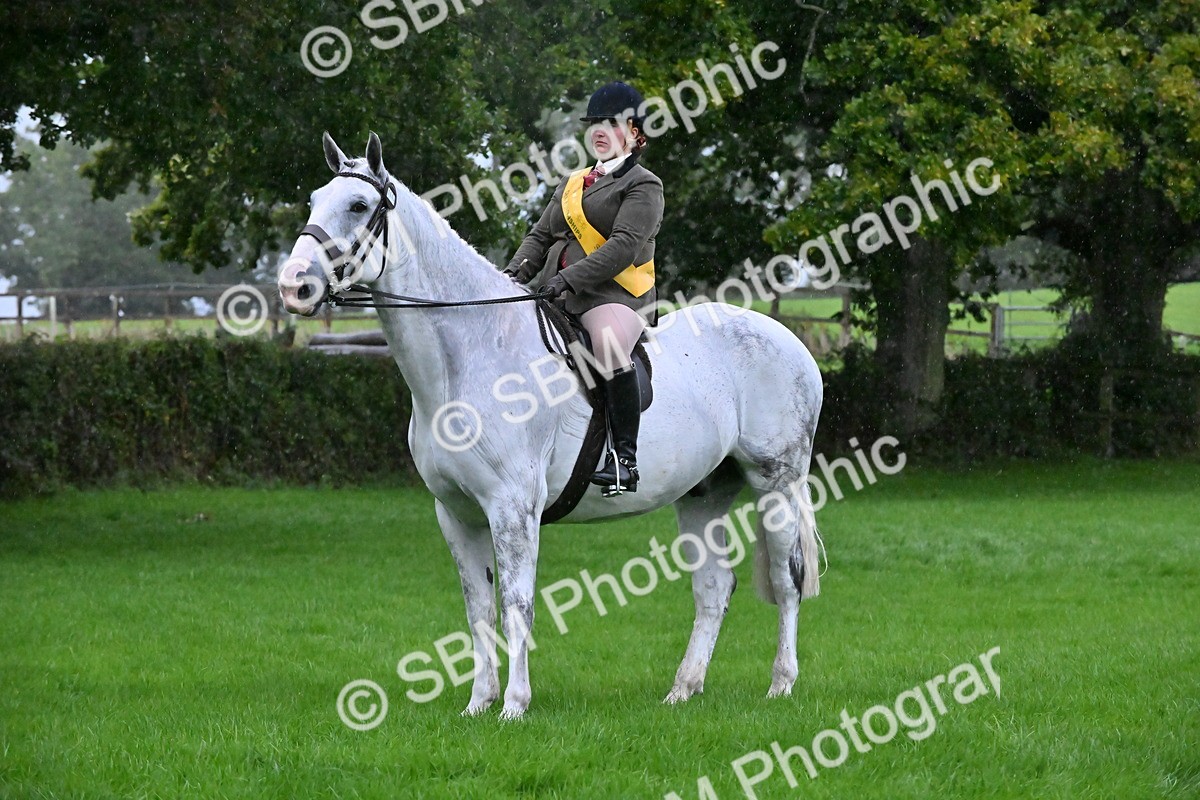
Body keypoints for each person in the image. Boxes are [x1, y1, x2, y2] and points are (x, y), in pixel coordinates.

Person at [503, 81, 663, 497]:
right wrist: (514, 274)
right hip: (557, 294)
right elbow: (540, 236)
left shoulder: (643, 185)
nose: (599, 131)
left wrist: (566, 279)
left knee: (608, 346)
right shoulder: (573, 183)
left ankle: (625, 461)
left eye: (611, 123)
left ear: (634, 132)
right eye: (595, 123)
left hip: (615, 296)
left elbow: (623, 247)